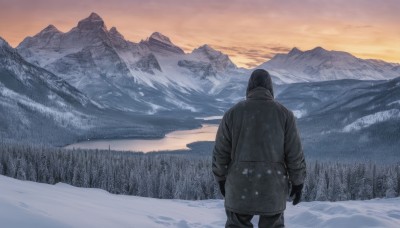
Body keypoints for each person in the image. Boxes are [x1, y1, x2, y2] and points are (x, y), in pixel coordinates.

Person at [212, 69, 306, 228]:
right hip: (272, 187)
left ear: (249, 88)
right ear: (270, 88)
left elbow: (220, 153)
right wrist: (298, 182)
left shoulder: (232, 113)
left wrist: (221, 178)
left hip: (239, 186)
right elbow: (294, 155)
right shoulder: (285, 115)